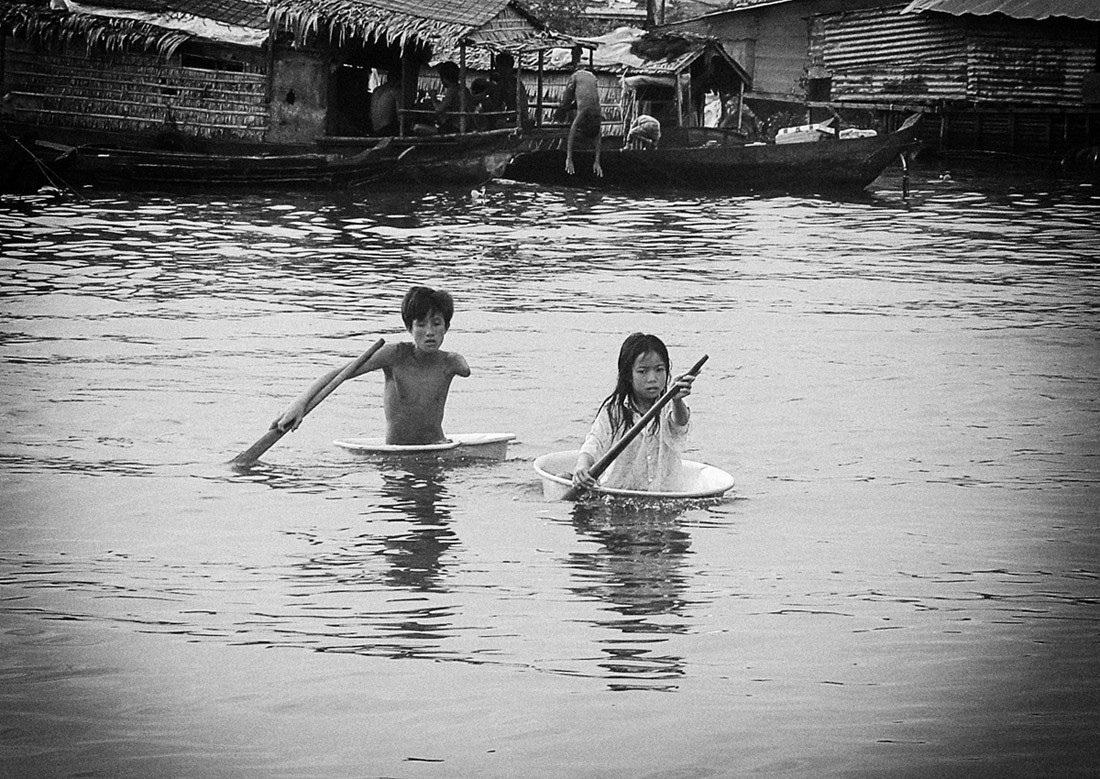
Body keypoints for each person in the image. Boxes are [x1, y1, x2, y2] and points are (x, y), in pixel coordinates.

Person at [274, 286, 471, 445]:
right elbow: (339, 374)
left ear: (447, 327)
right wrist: (299, 404)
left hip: (436, 447)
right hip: (396, 451)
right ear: (409, 328)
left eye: (436, 324)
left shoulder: (449, 362)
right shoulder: (395, 355)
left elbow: (464, 369)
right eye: (421, 325)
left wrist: (460, 363)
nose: (430, 332)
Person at [571, 333, 694, 492]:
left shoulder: (671, 405)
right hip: (619, 492)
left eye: (659, 370)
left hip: (664, 494)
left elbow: (680, 424)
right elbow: (594, 443)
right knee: (564, 477)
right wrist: (582, 466)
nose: (652, 378)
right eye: (642, 371)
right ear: (629, 375)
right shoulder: (615, 410)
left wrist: (677, 400)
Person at [554, 47, 603, 177]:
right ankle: (561, 113)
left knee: (572, 104)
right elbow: (572, 132)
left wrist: (597, 161)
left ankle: (566, 109)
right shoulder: (587, 112)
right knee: (564, 104)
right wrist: (569, 158)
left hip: (590, 79)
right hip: (579, 78)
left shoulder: (597, 116)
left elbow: (598, 137)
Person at [434, 61, 473, 134]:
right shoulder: (464, 89)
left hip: (456, 127)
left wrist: (433, 98)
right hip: (466, 125)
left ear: (444, 78)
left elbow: (439, 110)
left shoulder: (452, 90)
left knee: (419, 128)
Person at [370, 69, 402, 137]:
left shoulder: (377, 90)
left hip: (374, 130)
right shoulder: (395, 91)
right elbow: (401, 116)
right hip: (387, 131)